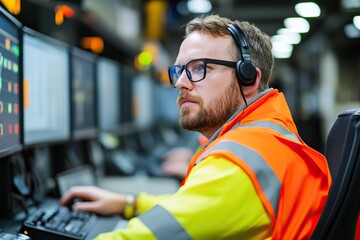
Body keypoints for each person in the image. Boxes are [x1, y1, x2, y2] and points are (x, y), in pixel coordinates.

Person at [60, 15, 332, 239]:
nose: (180, 83)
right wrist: (128, 204)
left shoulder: (238, 167)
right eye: (179, 71)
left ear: (247, 79)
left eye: (199, 68)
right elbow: (195, 209)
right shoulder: (264, 138)